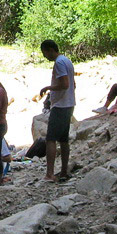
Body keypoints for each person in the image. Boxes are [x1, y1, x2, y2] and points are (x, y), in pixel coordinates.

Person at [38, 40, 75, 182]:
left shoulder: (59, 63)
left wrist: (48, 88)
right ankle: (64, 171)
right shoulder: (67, 60)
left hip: (60, 105)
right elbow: (72, 84)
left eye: (45, 53)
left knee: (51, 139)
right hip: (69, 103)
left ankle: (50, 174)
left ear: (50, 50)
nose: (45, 56)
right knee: (63, 139)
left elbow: (64, 84)